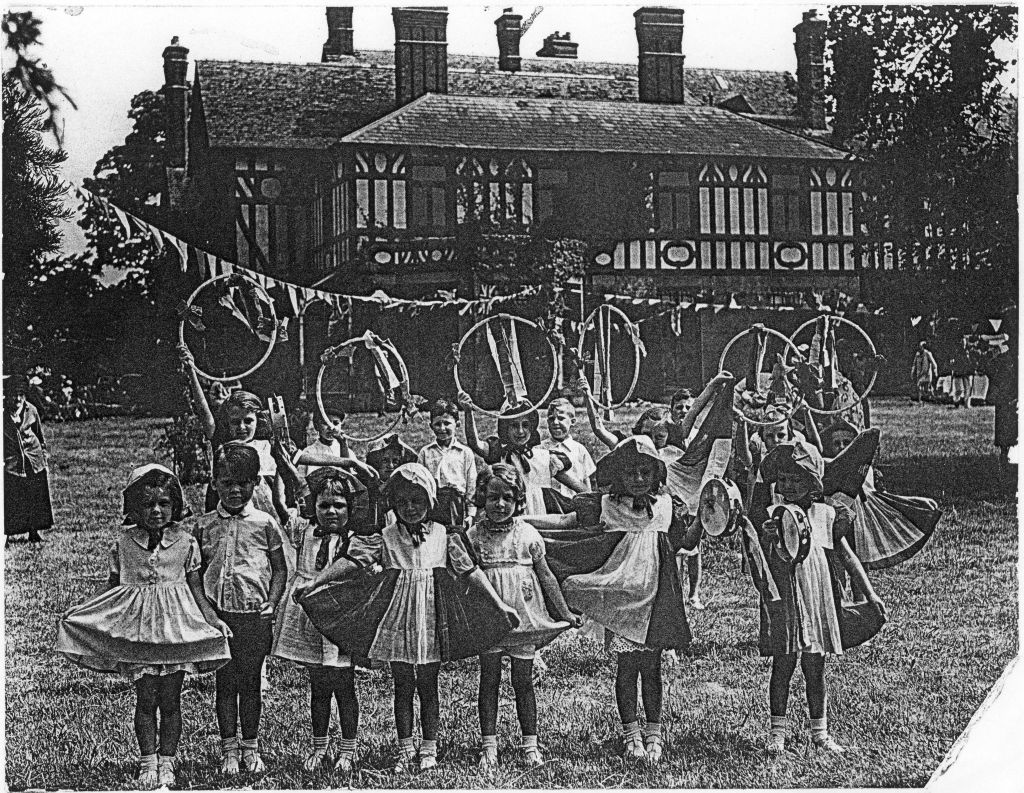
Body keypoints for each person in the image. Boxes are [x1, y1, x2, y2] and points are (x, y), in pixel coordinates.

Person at [297, 463, 519, 773]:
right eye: (403, 502)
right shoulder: (385, 536)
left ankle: (429, 746)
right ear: (394, 504)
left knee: (428, 683)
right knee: (402, 683)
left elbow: (470, 572)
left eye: (417, 500)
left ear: (430, 501)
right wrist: (317, 583)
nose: (411, 508)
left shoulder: (444, 535)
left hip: (430, 616)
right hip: (397, 619)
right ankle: (405, 748)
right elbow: (351, 561)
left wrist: (499, 606)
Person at [56, 464, 231, 789]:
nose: (156, 511)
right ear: (134, 507)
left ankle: (168, 762)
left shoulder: (185, 542)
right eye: (148, 504)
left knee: (172, 700)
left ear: (174, 505)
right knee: (146, 699)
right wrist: (83, 611)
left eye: (163, 504)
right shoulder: (124, 543)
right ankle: (147, 762)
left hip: (175, 631)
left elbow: (196, 589)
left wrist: (212, 619)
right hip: (138, 633)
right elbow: (110, 588)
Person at [530, 437, 703, 763]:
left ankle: (654, 733)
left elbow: (685, 542)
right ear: (619, 476)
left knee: (652, 670)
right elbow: (566, 524)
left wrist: (707, 517)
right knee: (626, 669)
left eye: (645, 472)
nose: (638, 479)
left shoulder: (667, 507)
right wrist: (521, 524)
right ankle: (631, 736)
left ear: (656, 475)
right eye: (631, 473)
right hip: (618, 598)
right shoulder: (605, 505)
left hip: (653, 601)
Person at [754, 440, 886, 754]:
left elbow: (848, 557)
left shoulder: (827, 515)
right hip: (788, 597)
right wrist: (770, 539)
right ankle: (777, 733)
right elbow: (766, 559)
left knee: (816, 667)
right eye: (782, 479)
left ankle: (820, 732)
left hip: (817, 595)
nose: (786, 485)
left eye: (795, 479)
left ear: (813, 483)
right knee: (783, 665)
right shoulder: (775, 515)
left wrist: (870, 593)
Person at [467, 464, 582, 770]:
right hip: (489, 620)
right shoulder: (474, 536)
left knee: (523, 681)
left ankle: (530, 744)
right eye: (493, 497)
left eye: (507, 497)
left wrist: (565, 613)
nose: (500, 504)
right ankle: (489, 745)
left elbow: (546, 577)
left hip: (524, 620)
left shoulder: (528, 534)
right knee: (488, 680)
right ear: (482, 497)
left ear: (518, 499)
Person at [272, 466, 381, 773]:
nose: (331, 511)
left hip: (340, 616)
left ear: (351, 508)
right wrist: (283, 457)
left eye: (339, 505)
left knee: (344, 686)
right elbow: (290, 488)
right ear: (313, 507)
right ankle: (319, 747)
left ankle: (347, 749)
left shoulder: (354, 540)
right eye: (324, 505)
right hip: (309, 615)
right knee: (318, 687)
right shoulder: (304, 531)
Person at [193, 443, 288, 775]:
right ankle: (228, 751)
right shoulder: (203, 526)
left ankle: (251, 747)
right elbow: (195, 572)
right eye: (227, 482)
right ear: (215, 482)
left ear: (256, 482)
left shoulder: (265, 523)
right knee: (225, 684)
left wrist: (272, 603)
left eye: (243, 483)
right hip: (219, 618)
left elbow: (279, 569)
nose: (235, 490)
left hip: (253, 617)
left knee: (250, 682)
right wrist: (207, 613)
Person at [459, 394, 584, 515]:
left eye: (525, 425)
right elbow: (474, 443)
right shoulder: (500, 454)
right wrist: (468, 412)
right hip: (508, 514)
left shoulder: (544, 457)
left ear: (532, 427)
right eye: (514, 425)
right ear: (505, 428)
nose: (520, 431)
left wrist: (594, 497)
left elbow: (575, 484)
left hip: (537, 515)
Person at [4, 374, 54, 543]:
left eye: (21, 394)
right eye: (13, 394)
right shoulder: (3, 414)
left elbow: (40, 436)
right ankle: (7, 534)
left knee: (35, 496)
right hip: (13, 463)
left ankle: (34, 532)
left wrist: (44, 458)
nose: (17, 398)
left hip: (34, 459)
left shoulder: (31, 410)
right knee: (13, 497)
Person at [417, 397, 478, 530]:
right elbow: (420, 484)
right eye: (437, 424)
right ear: (431, 426)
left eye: (447, 423)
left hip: (457, 505)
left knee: (456, 540)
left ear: (457, 424)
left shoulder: (465, 452)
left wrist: (471, 513)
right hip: (434, 505)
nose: (442, 428)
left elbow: (471, 485)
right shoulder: (426, 452)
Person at [542, 397, 597, 500]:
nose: (555, 422)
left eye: (561, 418)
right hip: (549, 505)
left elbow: (586, 481)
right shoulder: (540, 449)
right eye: (551, 418)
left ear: (572, 421)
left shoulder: (579, 450)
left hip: (574, 503)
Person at [985, 345, 1018, 488]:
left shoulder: (1005, 359)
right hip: (1007, 404)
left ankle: (1007, 475)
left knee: (1008, 442)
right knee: (1007, 442)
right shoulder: (1005, 360)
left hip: (1008, 403)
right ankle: (1006, 476)